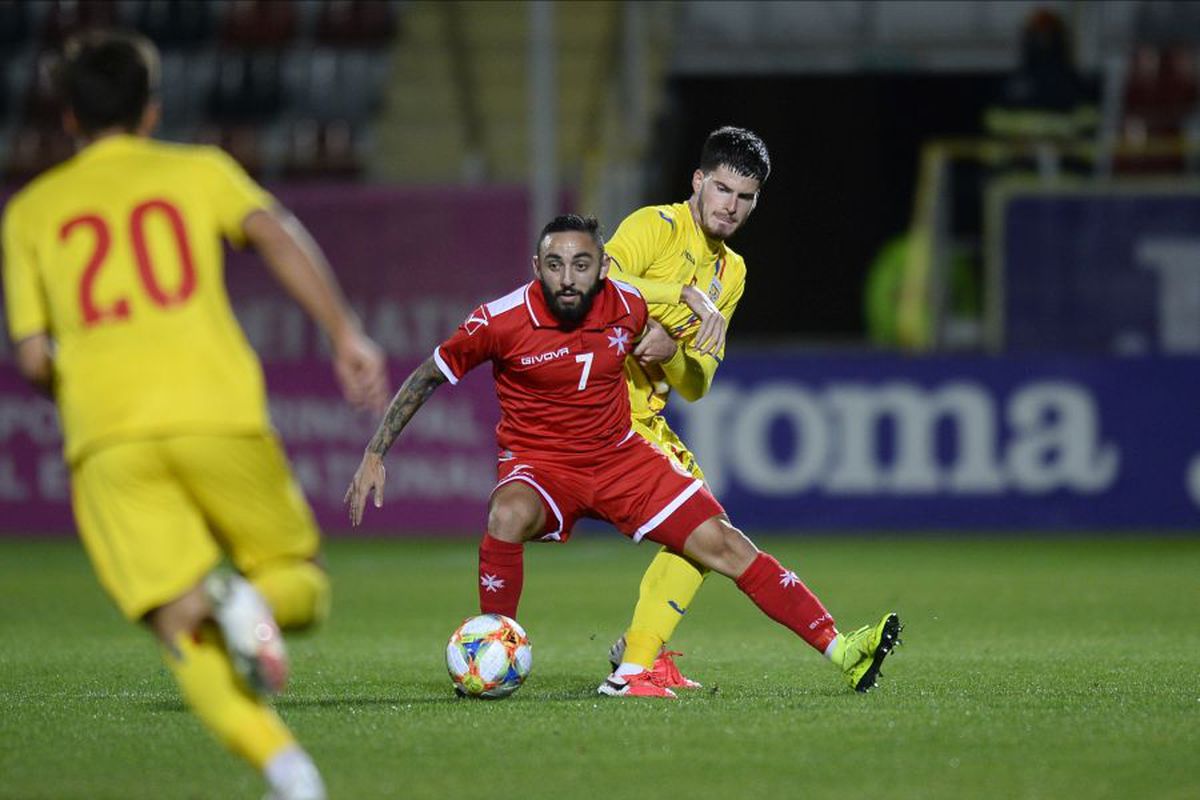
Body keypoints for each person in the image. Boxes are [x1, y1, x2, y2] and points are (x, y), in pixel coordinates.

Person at [2, 30, 388, 800]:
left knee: (180, 627)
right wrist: (344, 333)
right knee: (302, 588)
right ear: (151, 111)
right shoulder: (199, 170)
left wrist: (84, 384)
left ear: (68, 117)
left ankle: (288, 772)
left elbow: (35, 358)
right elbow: (274, 230)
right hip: (217, 411)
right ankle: (246, 603)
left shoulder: (31, 212)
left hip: (107, 439)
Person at [344, 214, 901, 700]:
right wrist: (375, 452)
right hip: (541, 467)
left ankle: (843, 651)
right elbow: (429, 375)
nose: (568, 278)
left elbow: (672, 349)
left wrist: (670, 346)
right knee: (506, 514)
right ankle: (496, 649)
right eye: (555, 265)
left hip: (620, 459)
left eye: (581, 265)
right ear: (536, 266)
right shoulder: (499, 320)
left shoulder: (628, 304)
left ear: (602, 267)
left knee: (725, 545)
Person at [597, 125, 766, 695]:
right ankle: (635, 663)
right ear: (698, 181)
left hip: (645, 418)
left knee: (704, 530)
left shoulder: (732, 273)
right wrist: (680, 297)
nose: (731, 206)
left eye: (745, 197)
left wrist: (671, 353)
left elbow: (697, 384)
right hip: (598, 410)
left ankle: (637, 655)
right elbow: (601, 281)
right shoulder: (656, 226)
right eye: (722, 189)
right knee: (706, 529)